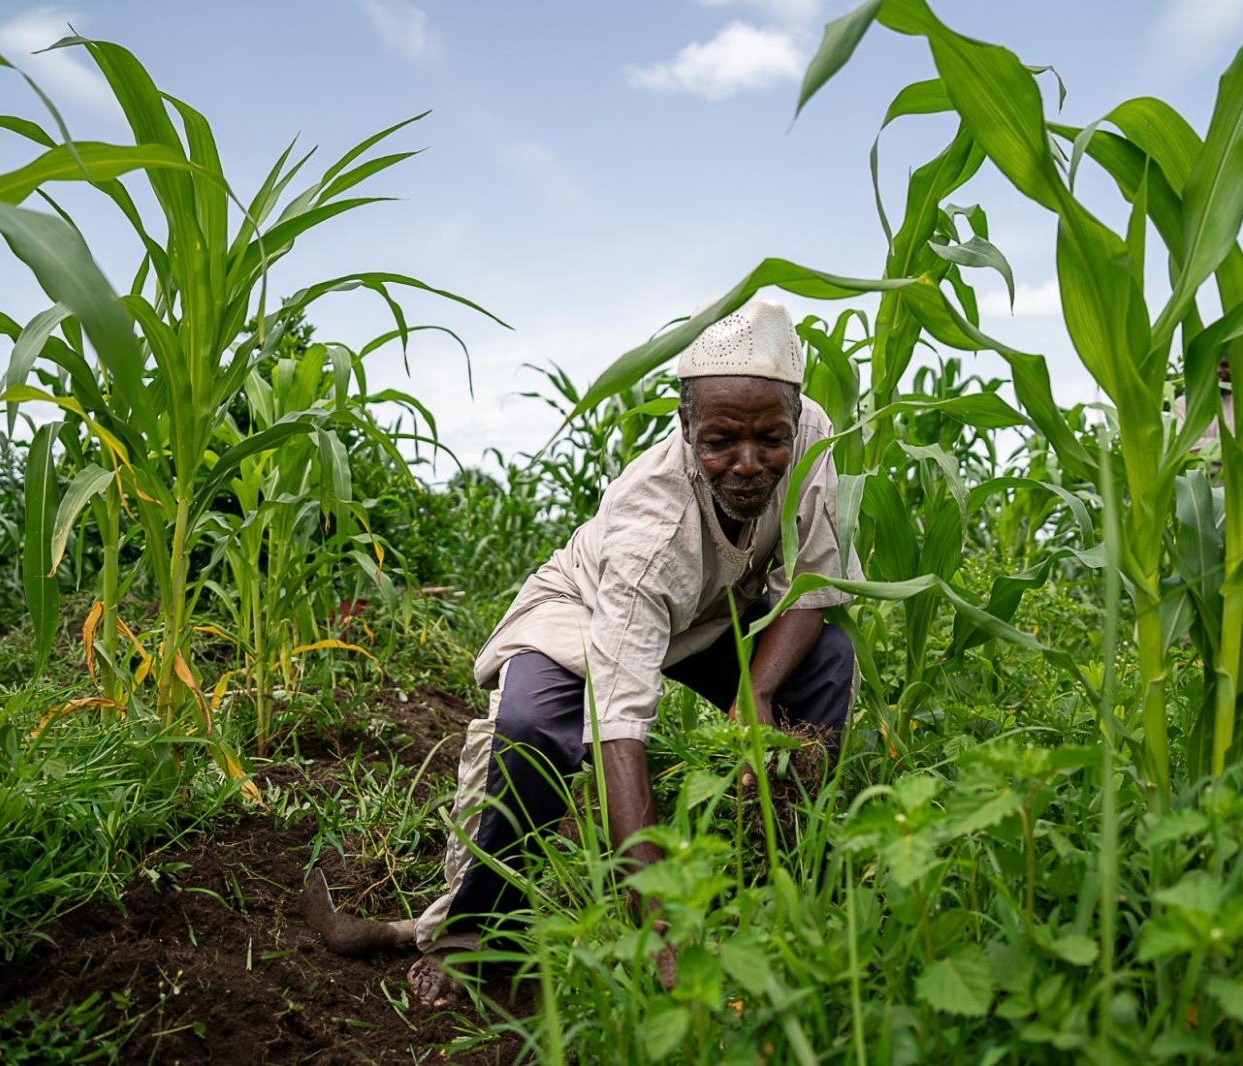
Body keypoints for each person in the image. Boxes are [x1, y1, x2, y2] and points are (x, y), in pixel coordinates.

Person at [303, 299, 863, 1007]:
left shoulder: (811, 434)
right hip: (585, 609)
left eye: (769, 440)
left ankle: (771, 885)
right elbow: (617, 729)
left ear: (795, 416)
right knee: (536, 732)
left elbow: (807, 586)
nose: (750, 464)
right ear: (685, 427)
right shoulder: (650, 525)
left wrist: (752, 696)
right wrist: (657, 932)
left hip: (710, 612)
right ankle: (470, 937)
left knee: (823, 665)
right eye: (721, 441)